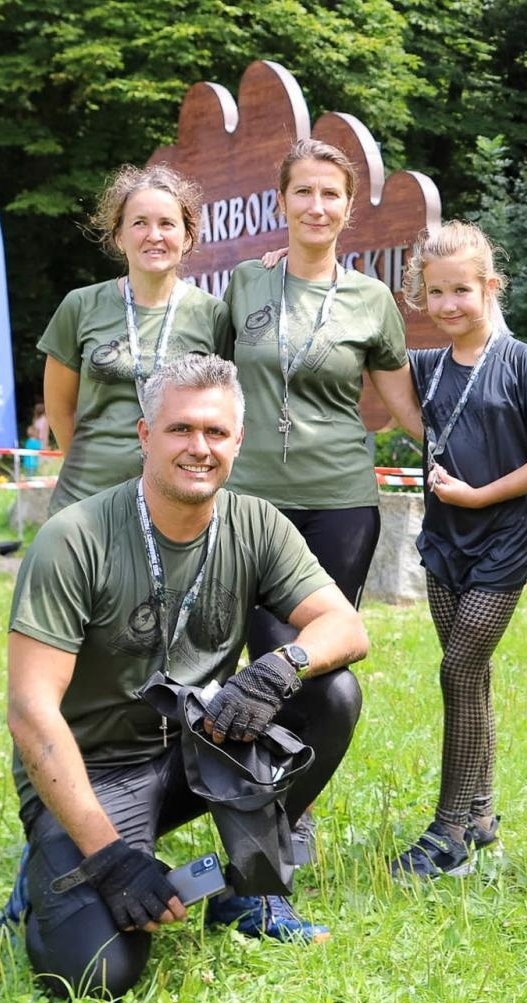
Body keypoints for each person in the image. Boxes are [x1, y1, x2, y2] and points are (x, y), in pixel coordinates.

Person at [6, 356, 369, 998]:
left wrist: (277, 669)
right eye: (180, 429)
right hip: (93, 771)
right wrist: (110, 858)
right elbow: (31, 711)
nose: (199, 447)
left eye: (216, 432)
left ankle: (248, 891)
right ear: (145, 435)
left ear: (238, 441)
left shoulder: (257, 524)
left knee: (330, 693)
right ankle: (53, 858)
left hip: (202, 747)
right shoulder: (75, 538)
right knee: (95, 975)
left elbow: (346, 627)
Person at [223, 138, 425, 862]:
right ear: (282, 201)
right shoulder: (246, 283)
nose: (316, 206)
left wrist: (493, 461)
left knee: (315, 661)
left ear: (348, 209)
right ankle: (255, 797)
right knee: (262, 655)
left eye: (330, 194)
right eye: (303, 191)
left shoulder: (372, 300)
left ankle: (293, 809)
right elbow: (207, 379)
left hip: (340, 503)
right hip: (249, 504)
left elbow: (408, 410)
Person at [386, 221, 527, 880]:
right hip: (444, 543)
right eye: (435, 292)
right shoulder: (426, 366)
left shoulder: (523, 362)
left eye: (461, 290)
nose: (448, 305)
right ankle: (483, 816)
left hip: (501, 542)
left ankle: (448, 834)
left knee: (459, 671)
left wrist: (480, 496)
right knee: (471, 679)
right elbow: (376, 366)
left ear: (489, 287)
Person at [40, 164, 233, 516]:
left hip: (175, 505)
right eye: (140, 223)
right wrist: (92, 464)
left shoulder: (213, 315)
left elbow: (223, 412)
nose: (154, 235)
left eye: (167, 224)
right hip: (86, 498)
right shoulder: (80, 306)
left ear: (187, 237)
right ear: (119, 236)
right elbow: (59, 408)